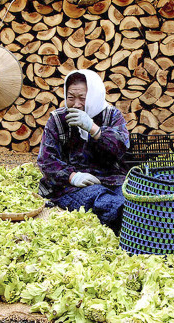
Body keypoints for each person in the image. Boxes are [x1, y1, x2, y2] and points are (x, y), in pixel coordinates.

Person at [37, 69, 130, 233]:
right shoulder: (57, 119)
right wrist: (72, 176)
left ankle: (130, 220)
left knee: (127, 198)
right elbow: (46, 160)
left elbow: (121, 148)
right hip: (72, 186)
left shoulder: (112, 115)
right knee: (98, 197)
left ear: (94, 97)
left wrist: (94, 129)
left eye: (83, 99)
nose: (76, 104)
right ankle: (122, 222)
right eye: (71, 98)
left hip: (112, 179)